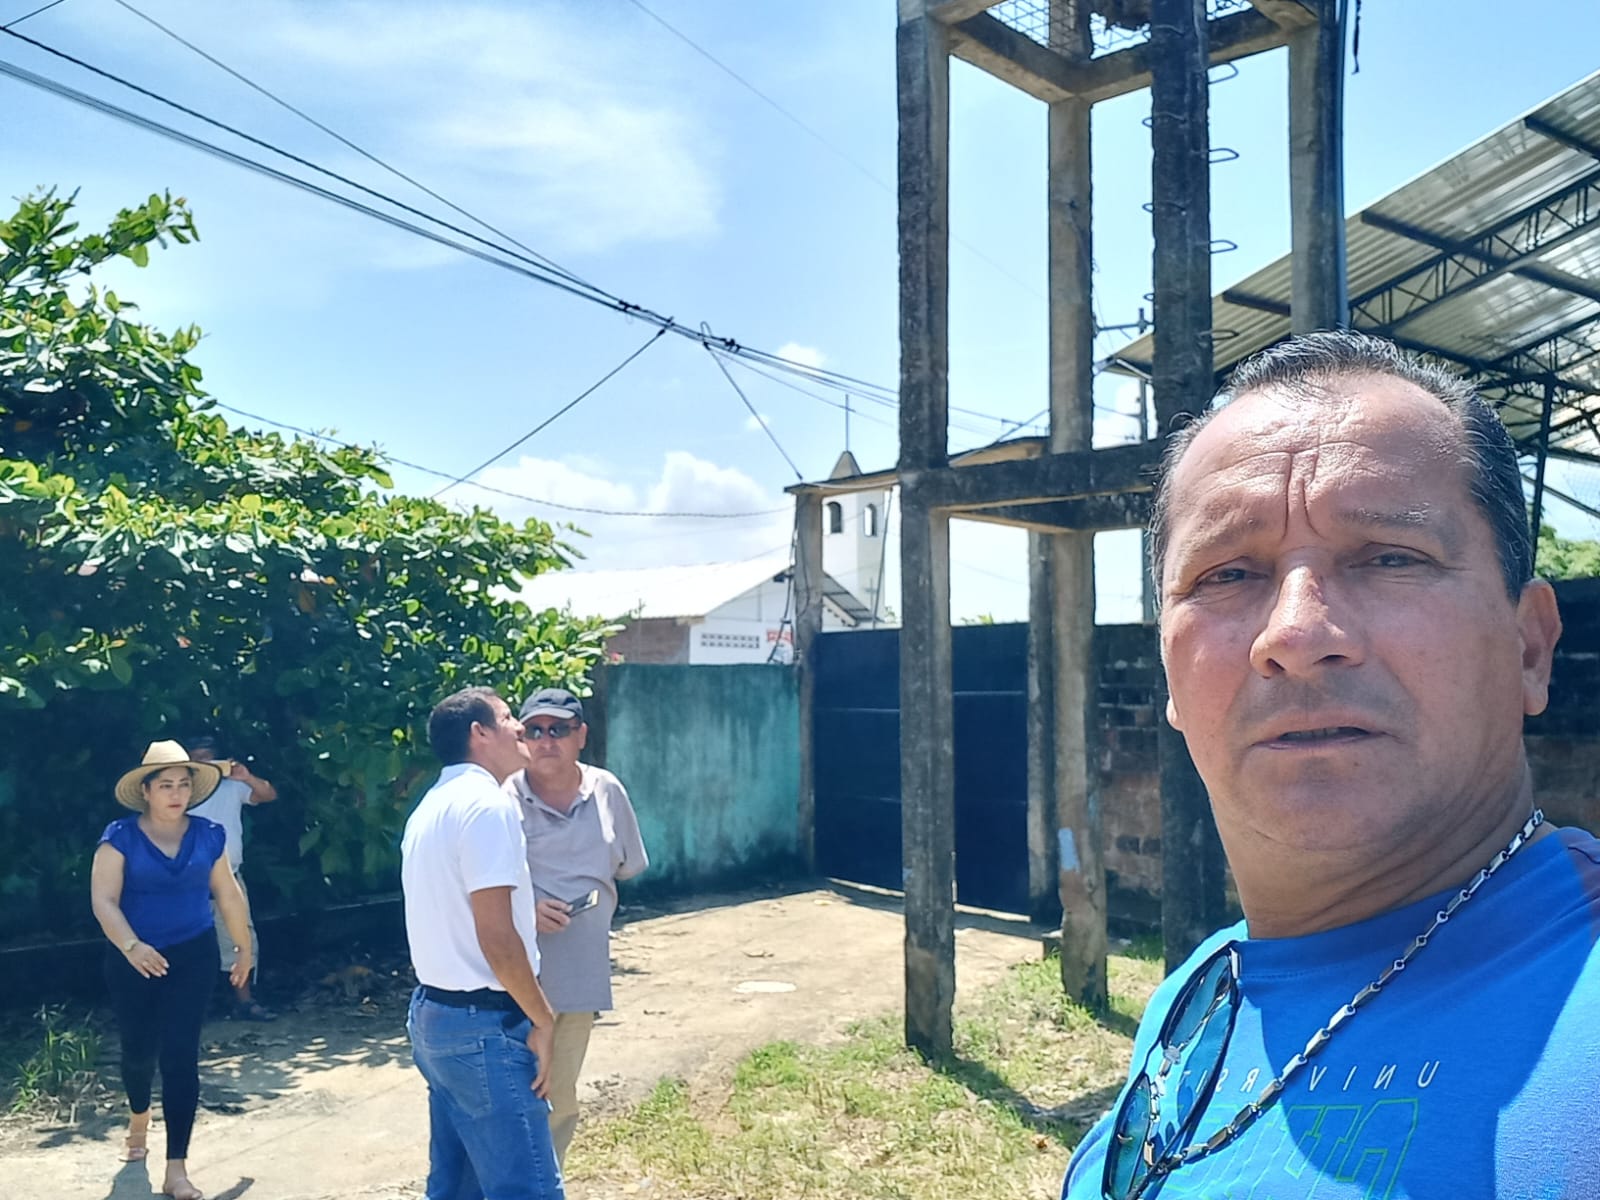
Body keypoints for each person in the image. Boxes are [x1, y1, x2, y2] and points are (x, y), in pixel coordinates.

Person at [1062, 331, 1600, 1200]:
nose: (1298, 633)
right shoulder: (1201, 993)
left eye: (1389, 558)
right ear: (1169, 674)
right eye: (1228, 574)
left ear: (1529, 647)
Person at [401, 686, 565, 1200]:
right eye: (508, 717)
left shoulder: (432, 805)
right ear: (480, 733)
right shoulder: (487, 806)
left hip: (435, 1015)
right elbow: (497, 936)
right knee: (528, 1189)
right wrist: (543, 1019)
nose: (521, 728)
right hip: (483, 1025)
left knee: (456, 1187)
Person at [90, 740, 254, 1200]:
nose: (176, 793)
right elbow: (103, 900)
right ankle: (138, 1118)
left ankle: (176, 1169)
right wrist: (132, 946)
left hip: (193, 954)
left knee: (181, 1055)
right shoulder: (119, 836)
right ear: (146, 791)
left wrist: (243, 948)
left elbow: (228, 894)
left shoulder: (208, 834)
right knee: (138, 1051)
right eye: (166, 785)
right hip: (134, 959)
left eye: (183, 784)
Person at [505, 687, 648, 1166]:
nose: (547, 741)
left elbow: (628, 864)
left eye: (559, 729)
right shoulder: (504, 797)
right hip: (516, 979)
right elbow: (478, 886)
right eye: (535, 730)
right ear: (522, 737)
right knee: (515, 1098)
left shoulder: (606, 790)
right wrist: (526, 908)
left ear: (581, 735)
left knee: (560, 1099)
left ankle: (544, 1188)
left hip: (581, 974)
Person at [187, 735, 278, 1021]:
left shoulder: (231, 786)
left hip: (230, 876)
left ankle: (244, 1001)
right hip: (187, 881)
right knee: (187, 944)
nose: (205, 763)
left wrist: (246, 776)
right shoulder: (180, 791)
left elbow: (268, 794)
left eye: (208, 757)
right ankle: (189, 1006)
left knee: (240, 939)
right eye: (197, 758)